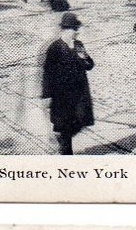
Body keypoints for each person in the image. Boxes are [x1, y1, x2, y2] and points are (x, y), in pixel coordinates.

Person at [41, 11, 95, 155]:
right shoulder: (55, 48)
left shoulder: (78, 45)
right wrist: (47, 95)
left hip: (79, 95)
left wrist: (84, 57)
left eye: (76, 29)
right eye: (73, 29)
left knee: (78, 123)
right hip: (62, 96)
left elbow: (90, 65)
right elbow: (47, 72)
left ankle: (60, 136)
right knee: (65, 126)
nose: (76, 32)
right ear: (65, 30)